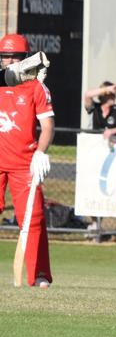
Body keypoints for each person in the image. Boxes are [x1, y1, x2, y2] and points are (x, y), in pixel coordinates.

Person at [0, 34, 54, 287]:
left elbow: (47, 126)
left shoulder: (37, 87)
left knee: (33, 219)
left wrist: (41, 152)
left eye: (15, 56)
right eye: (5, 56)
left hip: (24, 163)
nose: (9, 60)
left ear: (25, 58)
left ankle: (39, 274)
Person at [83, 81, 116, 234]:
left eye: (114, 94)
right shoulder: (94, 109)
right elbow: (87, 95)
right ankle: (94, 222)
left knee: (106, 184)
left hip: (110, 156)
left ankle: (100, 222)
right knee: (91, 185)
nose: (113, 97)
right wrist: (107, 89)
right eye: (111, 94)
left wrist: (114, 130)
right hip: (92, 154)